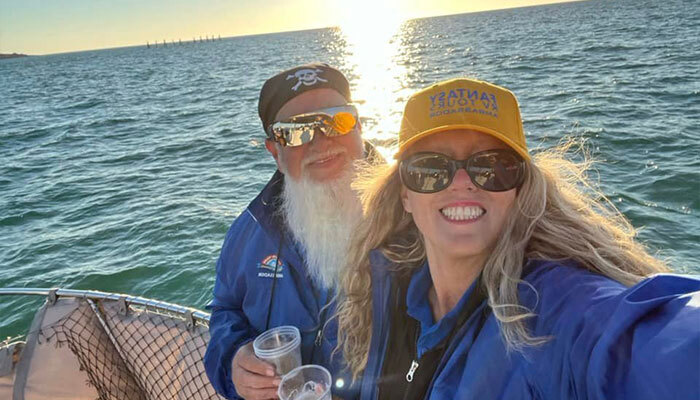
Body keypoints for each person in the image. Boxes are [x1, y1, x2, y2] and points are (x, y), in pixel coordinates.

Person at [335, 78, 700, 399]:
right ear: (405, 195)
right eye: (430, 168)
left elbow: (658, 349)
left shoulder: (553, 309)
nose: (462, 183)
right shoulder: (389, 285)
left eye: (491, 166)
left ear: (519, 189)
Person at [205, 63, 372, 399]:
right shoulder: (249, 232)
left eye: (337, 120)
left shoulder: (414, 218)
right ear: (275, 152)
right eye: (296, 131)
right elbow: (225, 310)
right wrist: (233, 359)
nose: (321, 140)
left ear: (359, 126)